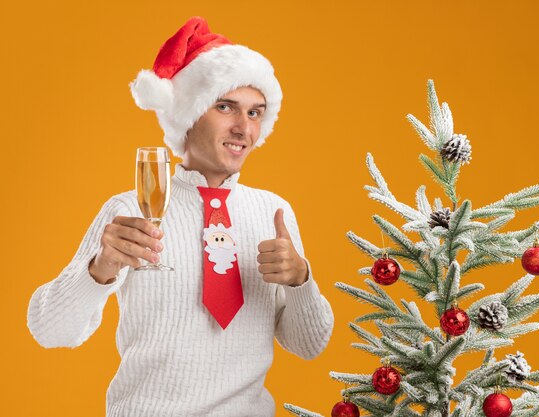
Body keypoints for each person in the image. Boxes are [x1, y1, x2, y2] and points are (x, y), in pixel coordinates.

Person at [27, 16, 334, 417]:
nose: (243, 128)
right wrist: (100, 269)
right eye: (226, 107)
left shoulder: (272, 212)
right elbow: (49, 330)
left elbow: (308, 345)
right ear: (189, 115)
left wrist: (301, 280)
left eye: (256, 113)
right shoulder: (129, 212)